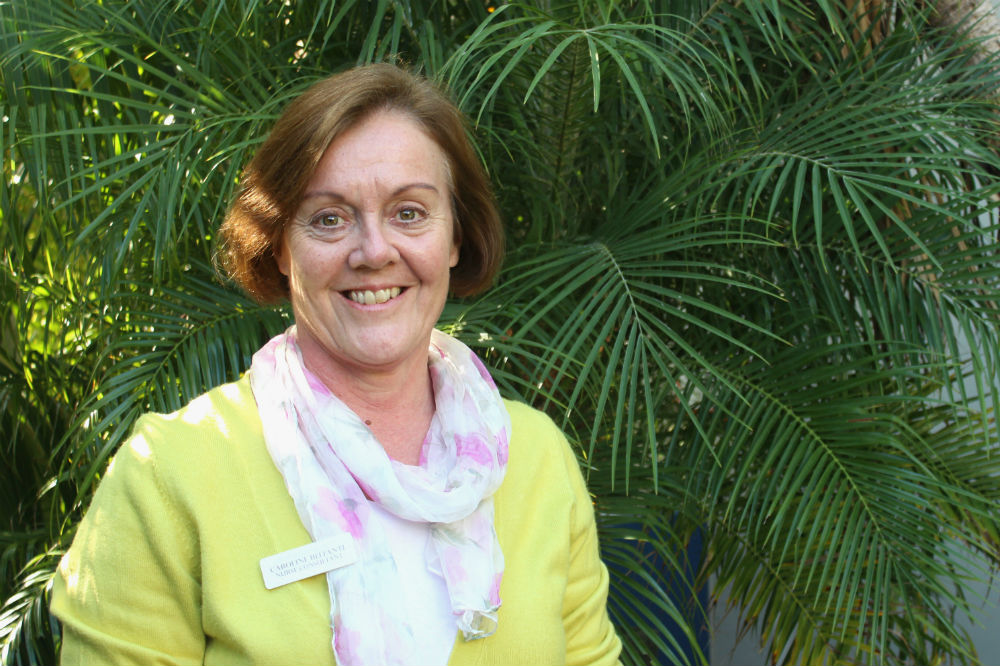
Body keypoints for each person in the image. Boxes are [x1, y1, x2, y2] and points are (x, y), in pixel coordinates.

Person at [51, 63, 622, 666]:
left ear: (455, 237)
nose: (374, 252)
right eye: (329, 218)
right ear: (279, 247)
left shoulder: (537, 460)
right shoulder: (170, 477)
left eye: (409, 213)